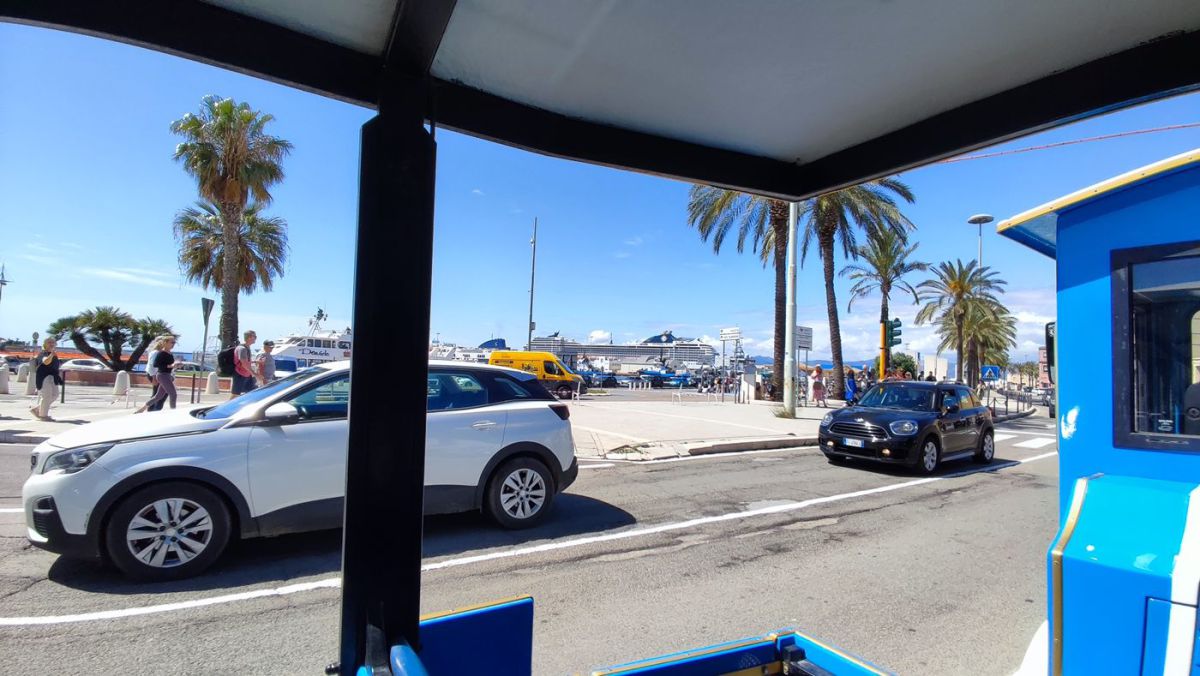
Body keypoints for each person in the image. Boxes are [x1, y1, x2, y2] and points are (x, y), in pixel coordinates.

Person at [137, 336, 178, 413]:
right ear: (165, 343)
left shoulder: (170, 354)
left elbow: (169, 365)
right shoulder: (161, 353)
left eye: (174, 343)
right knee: (173, 394)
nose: (173, 344)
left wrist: (176, 365)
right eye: (172, 342)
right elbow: (156, 364)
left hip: (168, 375)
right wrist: (170, 366)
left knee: (158, 396)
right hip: (162, 375)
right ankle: (173, 412)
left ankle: (142, 409)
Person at [31, 337, 63, 421]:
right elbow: (46, 362)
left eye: (53, 342)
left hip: (52, 378)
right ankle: (43, 416)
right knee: (46, 396)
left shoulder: (54, 354)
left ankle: (37, 409)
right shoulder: (43, 353)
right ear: (45, 344)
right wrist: (51, 355)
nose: (51, 344)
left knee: (55, 394)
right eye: (49, 342)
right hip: (44, 377)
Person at [231, 330, 258, 398]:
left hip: (247, 374)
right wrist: (255, 374)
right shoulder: (242, 348)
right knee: (235, 395)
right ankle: (228, 405)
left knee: (252, 393)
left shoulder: (247, 347)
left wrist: (255, 362)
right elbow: (244, 364)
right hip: (240, 375)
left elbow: (246, 361)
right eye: (255, 336)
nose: (256, 338)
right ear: (249, 337)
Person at [145, 336, 165, 412]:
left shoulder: (160, 352)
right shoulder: (155, 353)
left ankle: (152, 410)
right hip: (155, 375)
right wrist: (153, 377)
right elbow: (152, 365)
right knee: (160, 394)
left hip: (158, 375)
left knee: (158, 393)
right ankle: (153, 410)